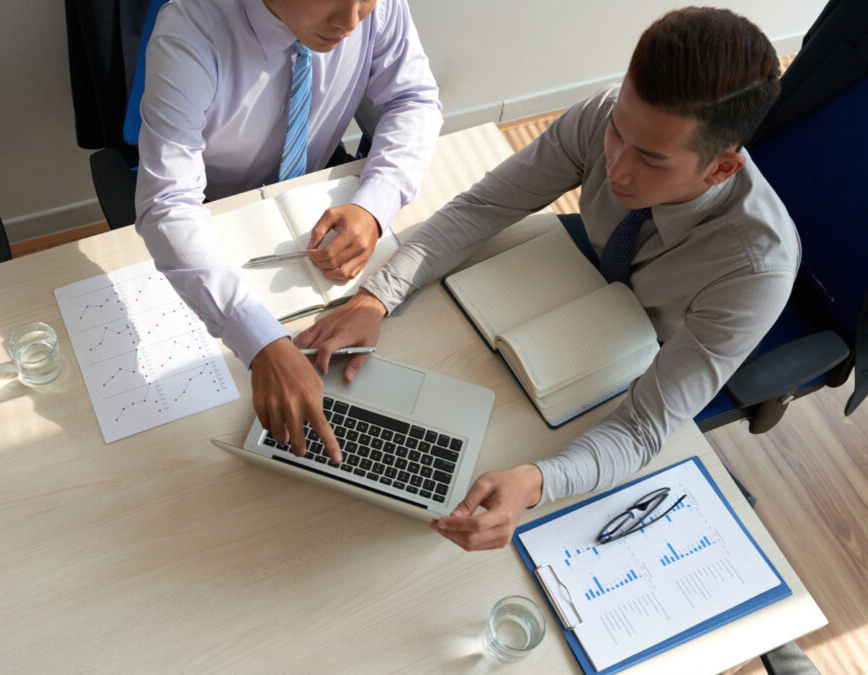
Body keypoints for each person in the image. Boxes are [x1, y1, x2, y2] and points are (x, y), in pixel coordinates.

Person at [295, 7, 797, 550]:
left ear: (721, 168)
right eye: (617, 134)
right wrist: (374, 298)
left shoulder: (755, 270)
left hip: (640, 353)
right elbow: (484, 206)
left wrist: (537, 482)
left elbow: (644, 428)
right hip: (566, 281)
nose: (618, 167)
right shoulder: (608, 113)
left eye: (651, 160)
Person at [133, 0, 442, 464]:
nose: (350, 22)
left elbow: (413, 100)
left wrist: (374, 206)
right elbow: (167, 202)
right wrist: (257, 341)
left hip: (311, 203)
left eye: (365, 1)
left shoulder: (373, 8)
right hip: (213, 222)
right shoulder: (189, 33)